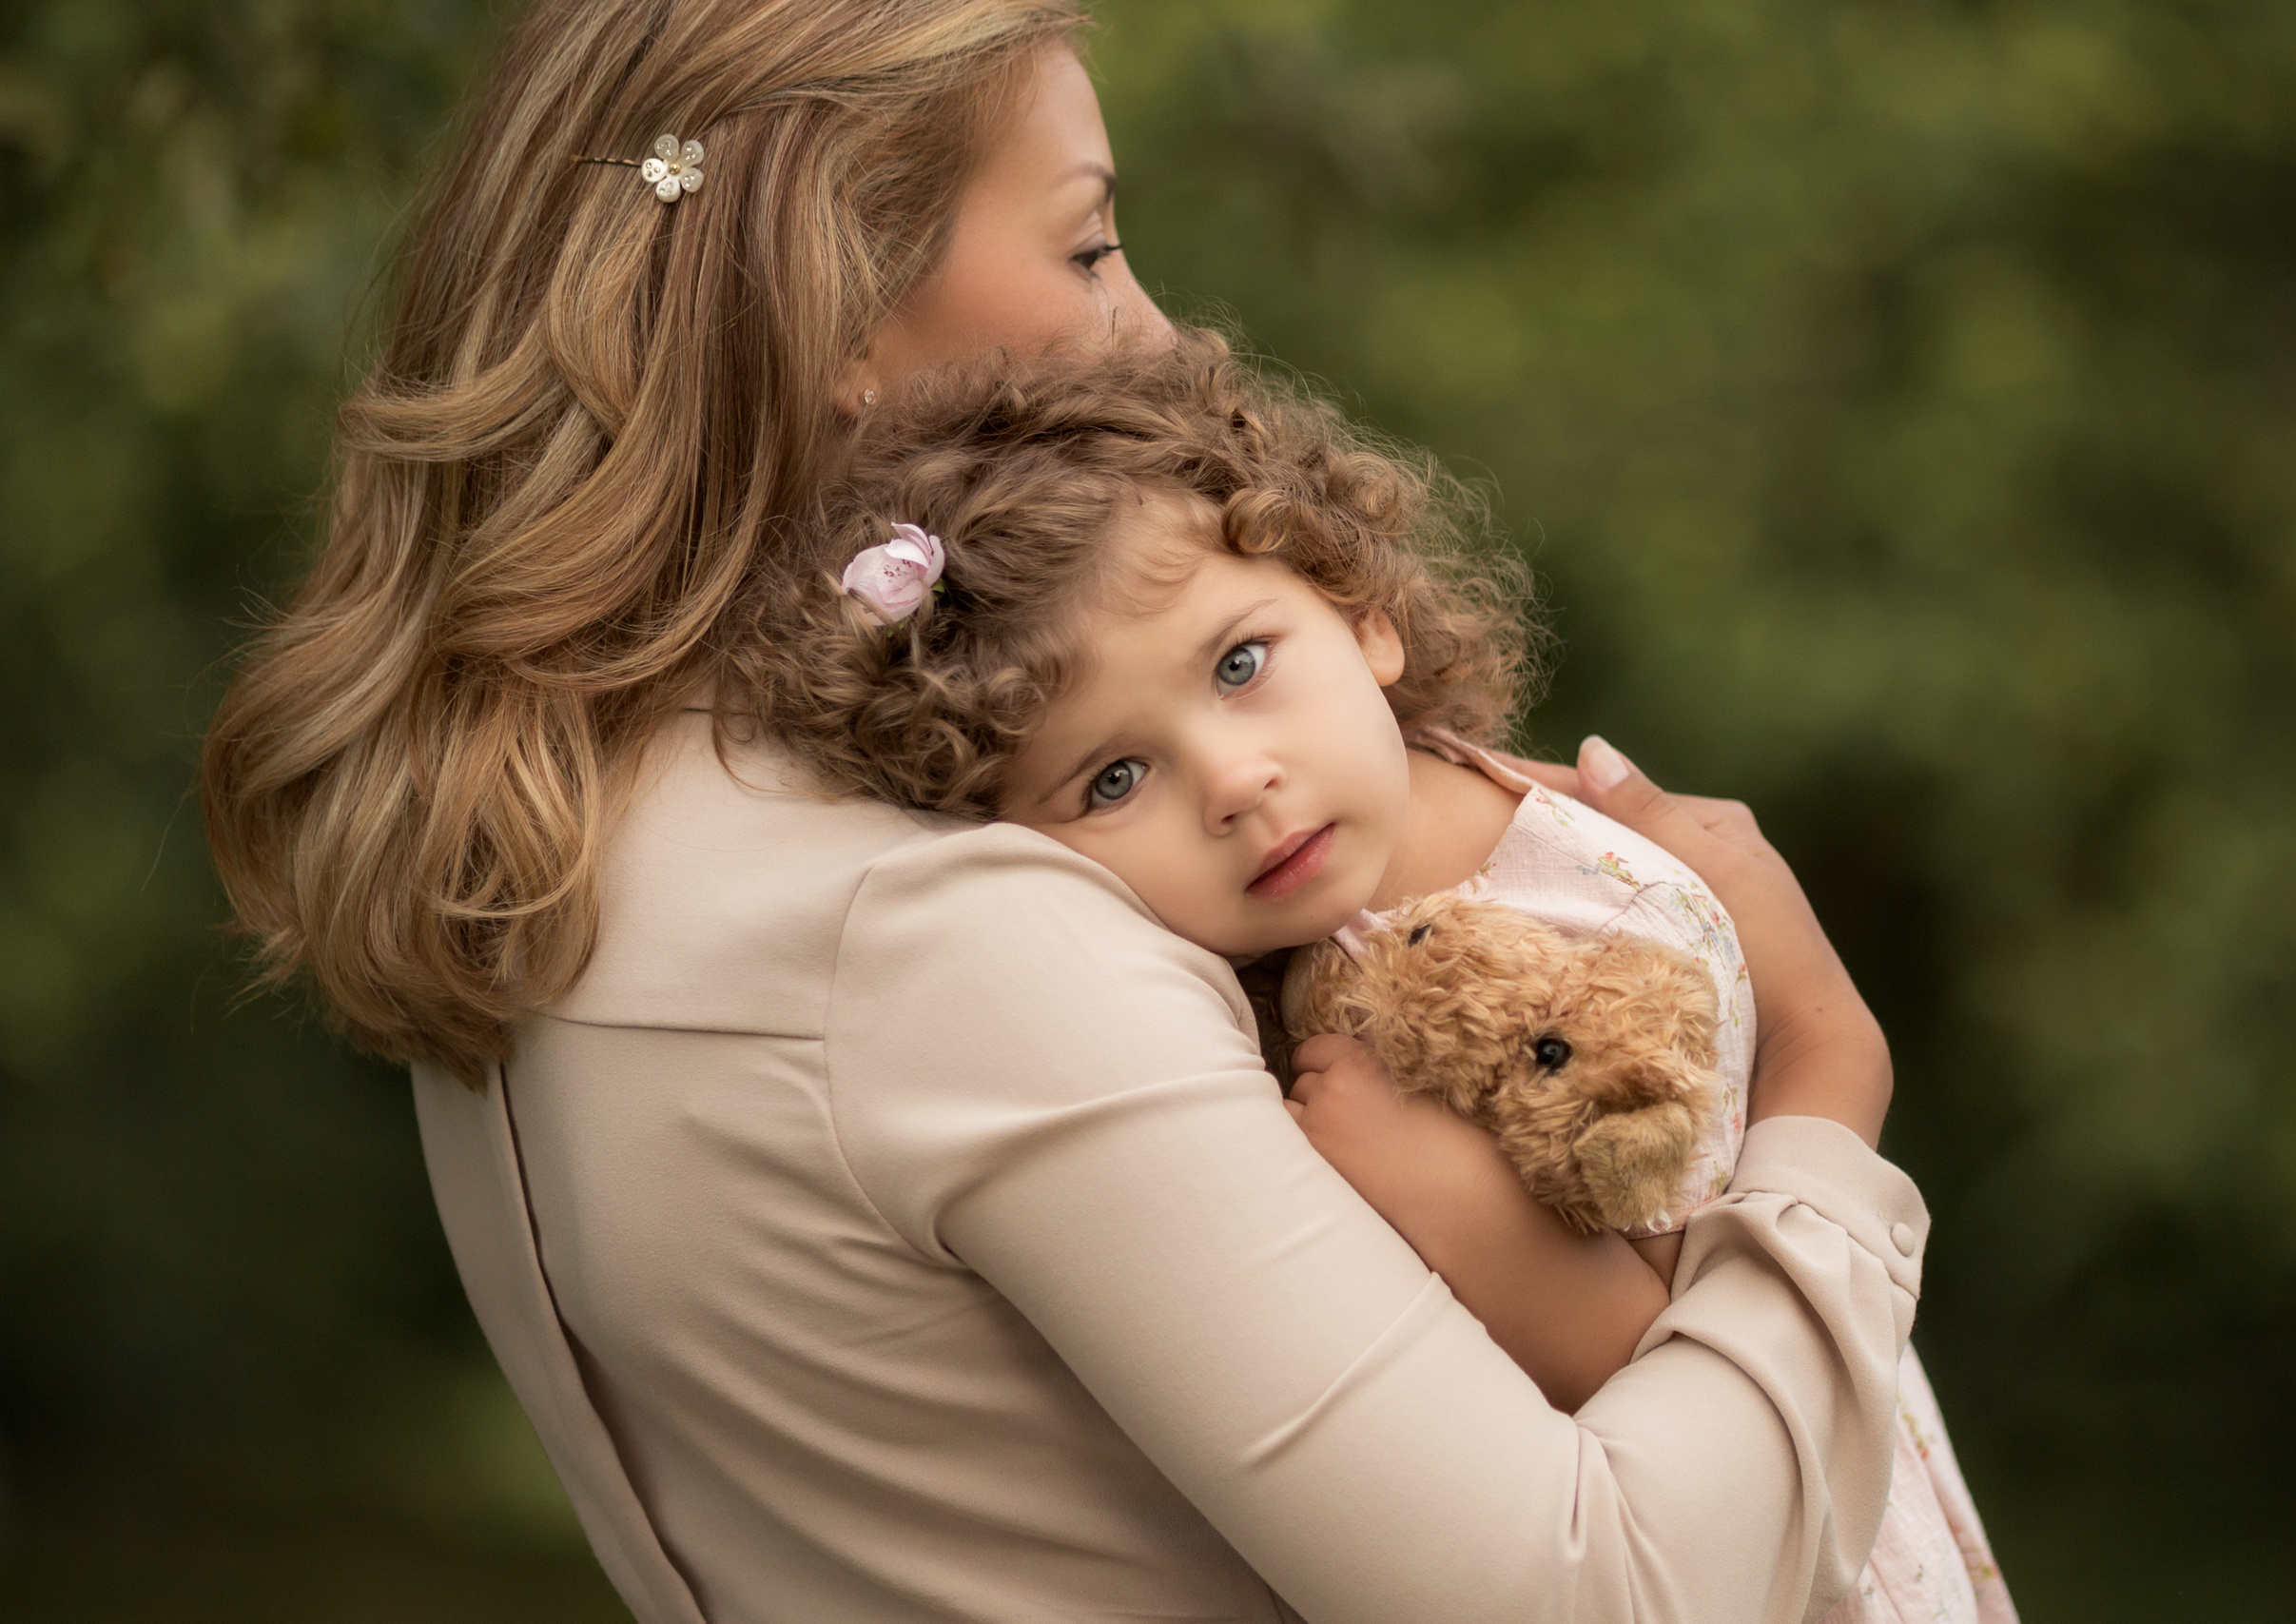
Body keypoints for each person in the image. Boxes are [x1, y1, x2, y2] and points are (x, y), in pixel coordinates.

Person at [198, 3, 1938, 1620]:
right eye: (1092, 248)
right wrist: (1823, 1082)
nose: (1156, 332)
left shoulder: (526, 857)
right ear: (829, 315)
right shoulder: (935, 931)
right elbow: (1604, 1593)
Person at [739, 336, 2017, 1624]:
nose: (1235, 784)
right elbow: (1679, 1423)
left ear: (1365, 615)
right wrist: (1470, 1218)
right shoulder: (1336, 1026)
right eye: (1114, 779)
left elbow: (1727, 1335)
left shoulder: (1526, 847)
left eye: (1240, 665)